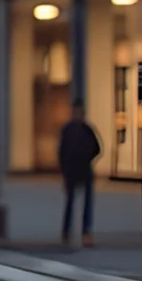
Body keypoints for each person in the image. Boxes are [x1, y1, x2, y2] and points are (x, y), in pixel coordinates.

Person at [57, 100, 103, 247]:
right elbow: (61, 152)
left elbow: (97, 148)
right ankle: (67, 231)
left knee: (86, 202)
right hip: (73, 170)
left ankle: (85, 232)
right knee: (71, 202)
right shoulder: (70, 129)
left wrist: (86, 158)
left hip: (83, 169)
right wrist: (64, 169)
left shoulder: (85, 129)